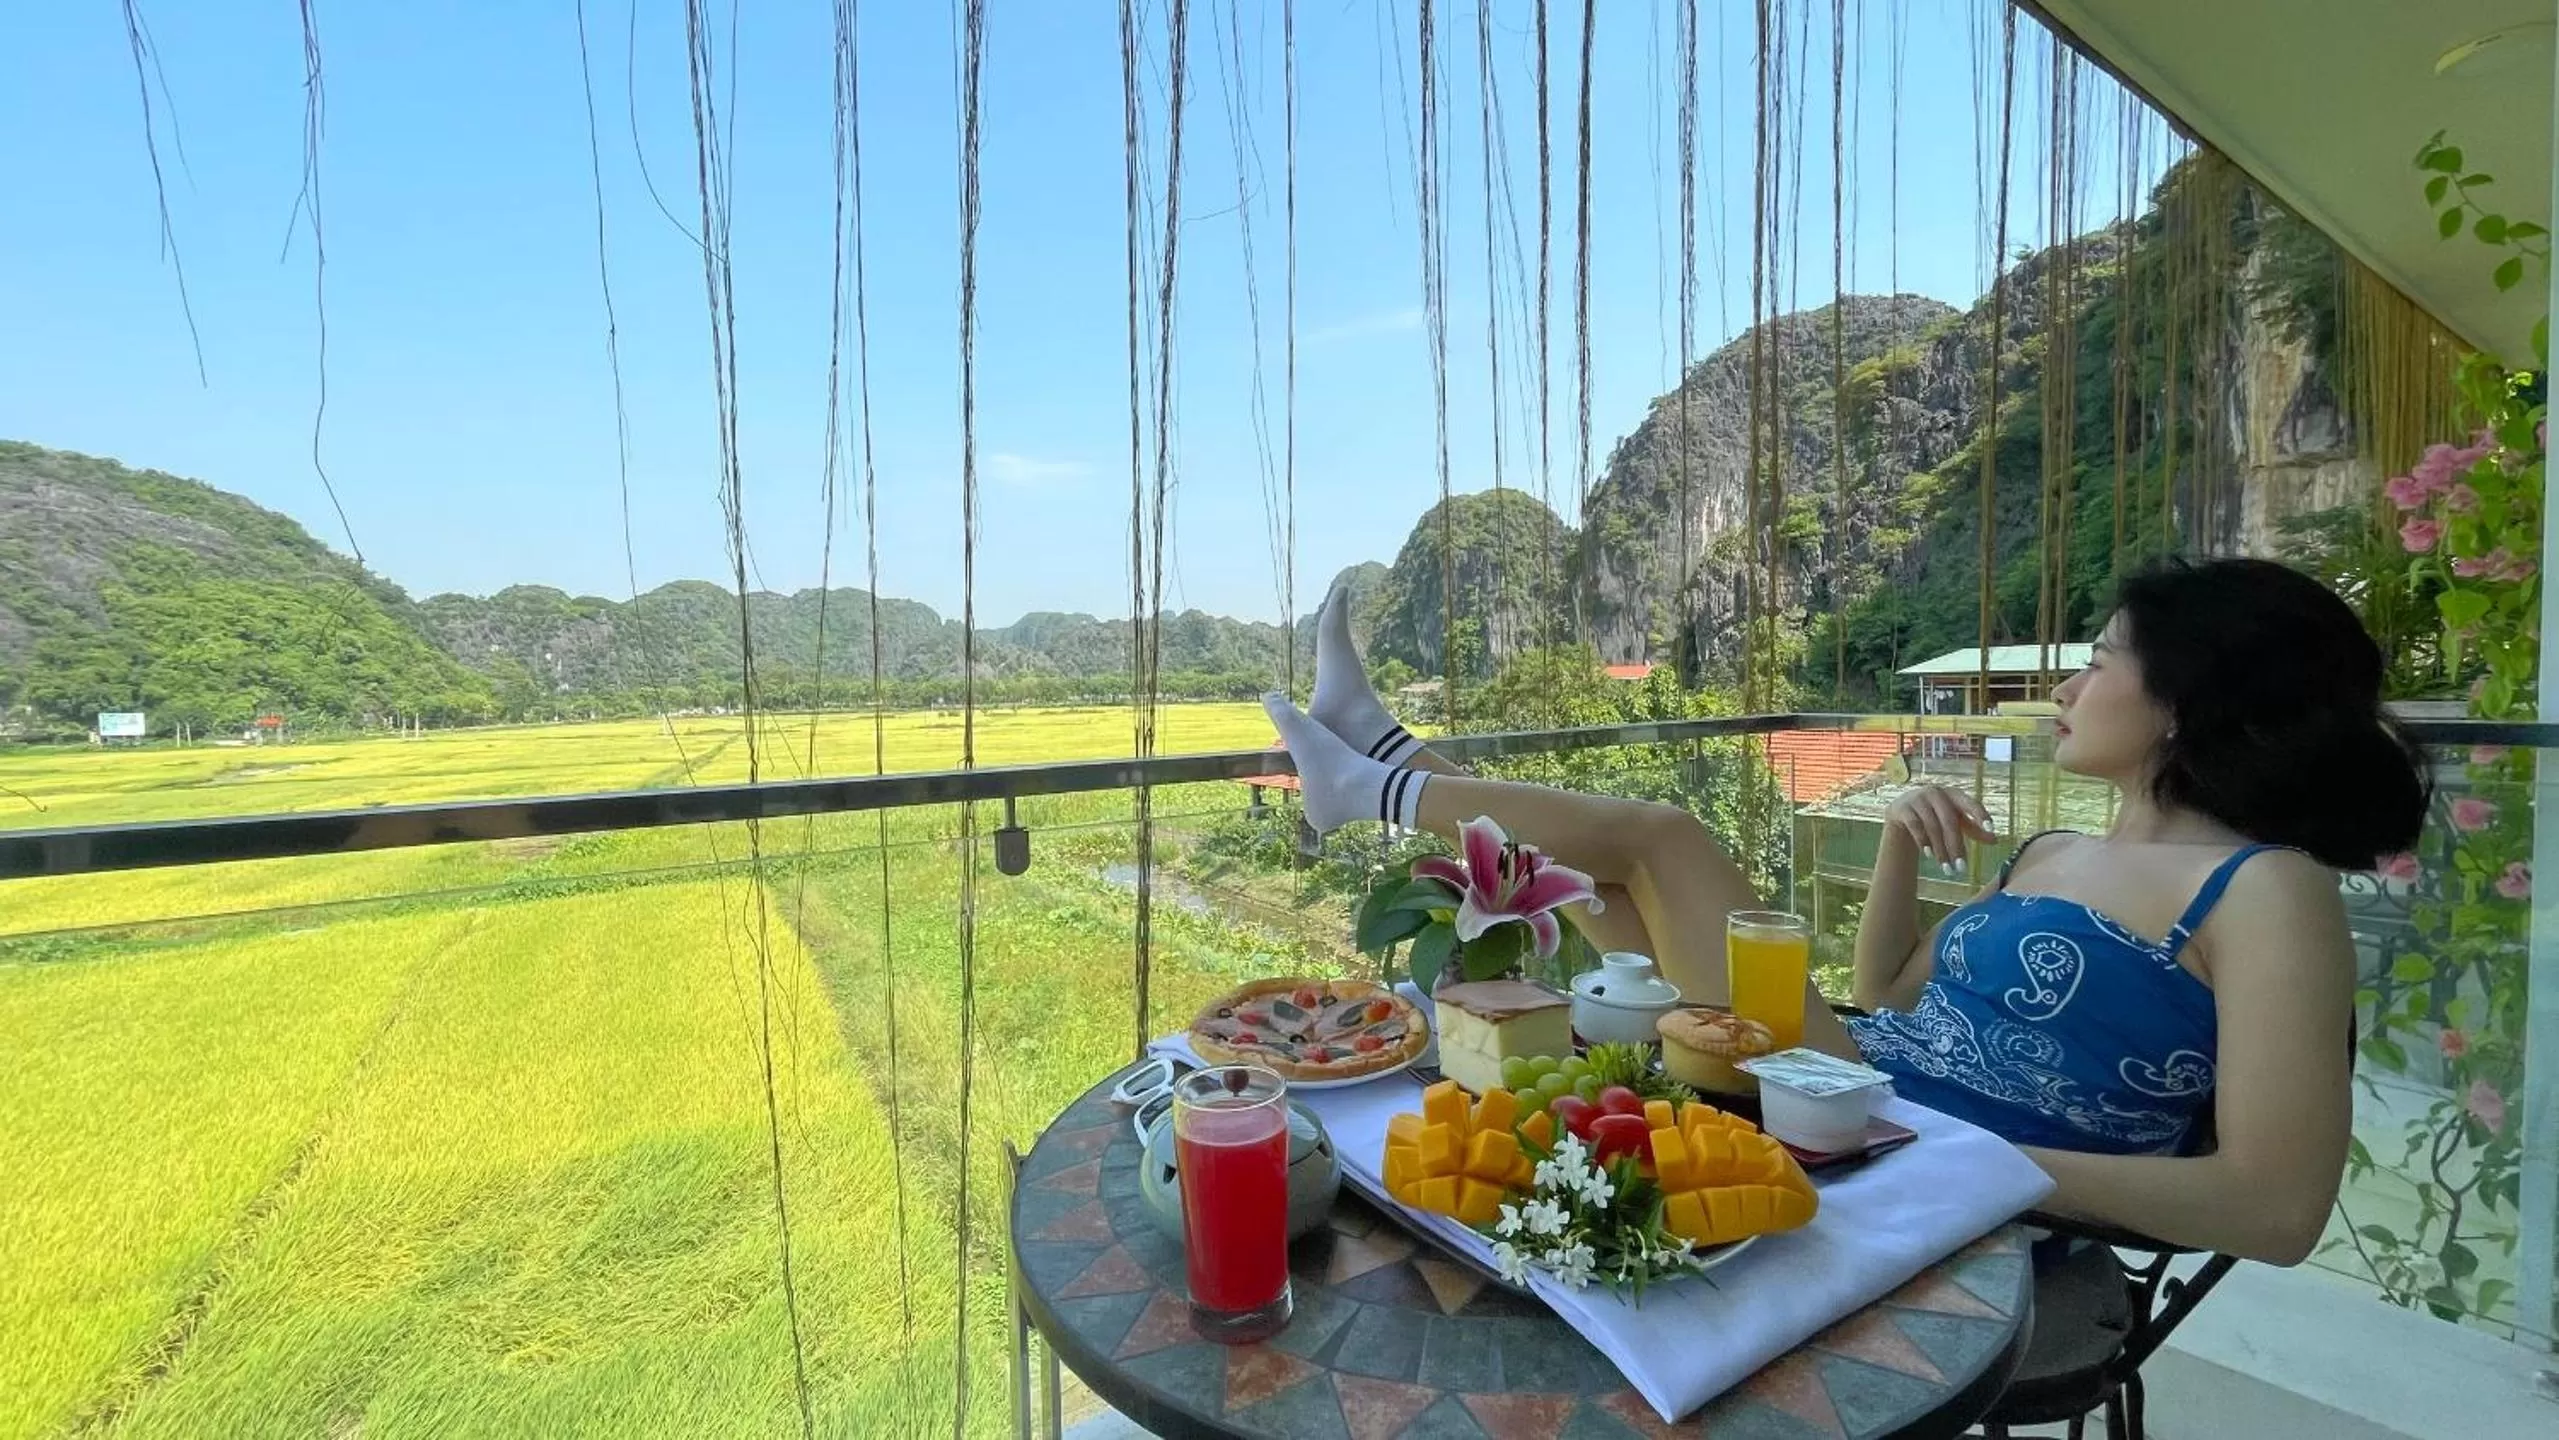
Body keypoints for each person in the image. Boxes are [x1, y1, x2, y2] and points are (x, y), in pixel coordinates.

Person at [1261, 558, 2426, 1265]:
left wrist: (1966, 1158)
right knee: (1620, 879)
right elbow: (1886, 1004)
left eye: (2100, 661)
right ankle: (1387, 756)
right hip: (1856, 1087)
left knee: (1666, 840)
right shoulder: (2057, 846)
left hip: (1894, 1142)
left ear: (2186, 702)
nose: (2067, 688)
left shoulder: (2268, 891)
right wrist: (1898, 862)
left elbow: (2274, 1210)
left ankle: (1375, 782)